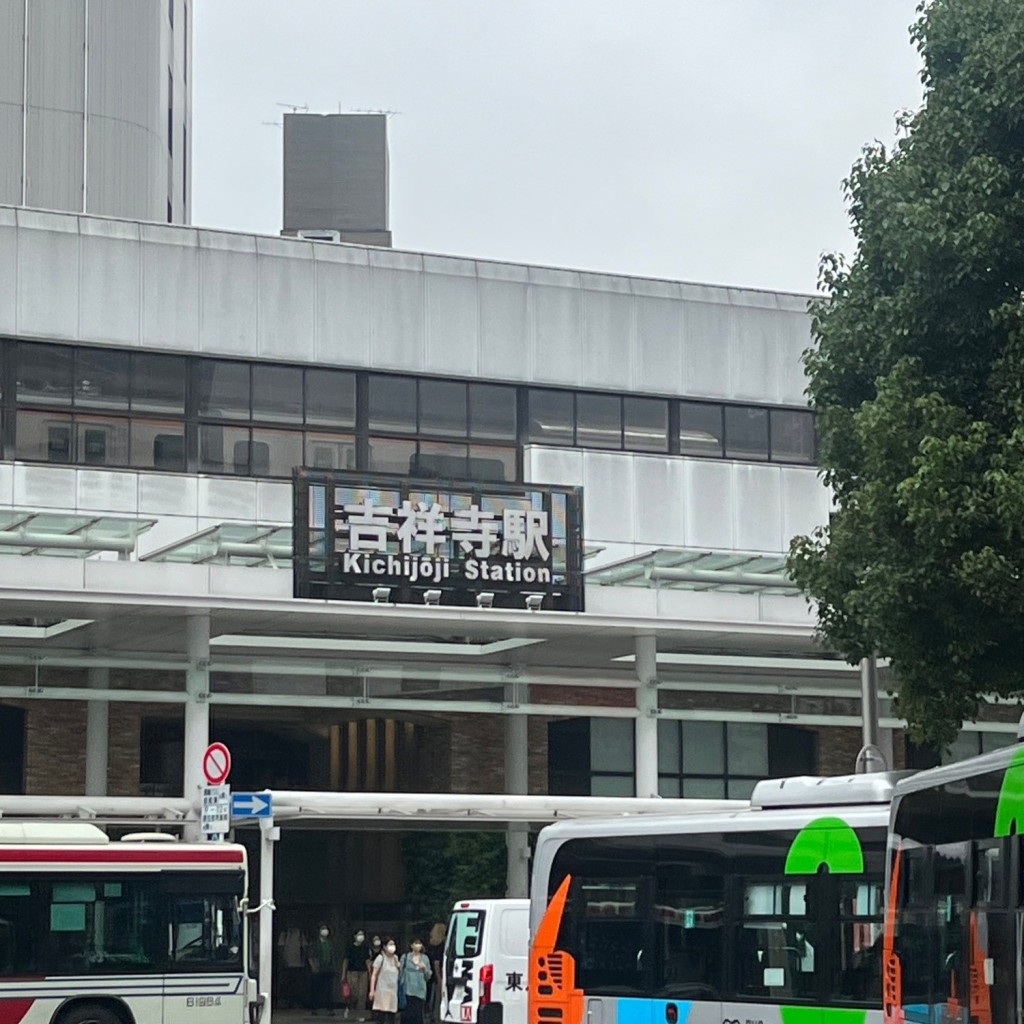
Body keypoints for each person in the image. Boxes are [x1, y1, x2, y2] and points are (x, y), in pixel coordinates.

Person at [400, 937, 433, 1024]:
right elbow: (400, 972)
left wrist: (424, 968)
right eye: (416, 943)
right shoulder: (405, 957)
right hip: (407, 988)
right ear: (411, 945)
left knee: (418, 1014)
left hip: (420, 990)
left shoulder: (425, 958)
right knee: (407, 1013)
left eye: (420, 943)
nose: (418, 945)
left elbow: (428, 976)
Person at [370, 936, 402, 1024]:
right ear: (384, 946)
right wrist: (372, 991)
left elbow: (399, 975)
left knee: (391, 1016)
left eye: (393, 944)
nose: (392, 946)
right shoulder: (380, 958)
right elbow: (374, 975)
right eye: (390, 944)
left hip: (393, 992)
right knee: (382, 1016)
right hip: (382, 991)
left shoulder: (396, 958)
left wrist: (399, 967)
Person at [277, 922, 308, 1009]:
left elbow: (304, 948)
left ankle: (297, 1002)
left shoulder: (300, 934)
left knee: (298, 985)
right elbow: (280, 948)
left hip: (299, 964)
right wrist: (283, 960)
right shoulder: (285, 934)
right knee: (288, 984)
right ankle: (288, 1002)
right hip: (287, 964)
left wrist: (303, 960)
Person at [309, 923, 337, 1016]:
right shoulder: (315, 943)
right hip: (318, 969)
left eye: (326, 928)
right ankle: (314, 1008)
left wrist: (334, 968)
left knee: (329, 990)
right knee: (316, 989)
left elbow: (332, 956)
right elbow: (310, 956)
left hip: (328, 969)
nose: (325, 931)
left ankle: (330, 1009)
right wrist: (313, 966)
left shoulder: (330, 943)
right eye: (323, 928)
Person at [343, 929, 371, 1019]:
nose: (361, 936)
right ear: (354, 936)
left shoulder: (365, 948)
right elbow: (346, 960)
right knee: (353, 993)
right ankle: (349, 1008)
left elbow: (367, 961)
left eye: (362, 934)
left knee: (362, 994)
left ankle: (360, 1014)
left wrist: (370, 973)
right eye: (359, 934)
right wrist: (344, 974)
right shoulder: (350, 947)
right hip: (352, 972)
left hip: (363, 972)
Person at [425, 923, 446, 1023]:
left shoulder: (430, 946)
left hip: (431, 977)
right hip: (437, 977)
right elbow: (437, 964)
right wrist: (440, 979)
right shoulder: (441, 946)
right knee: (437, 999)